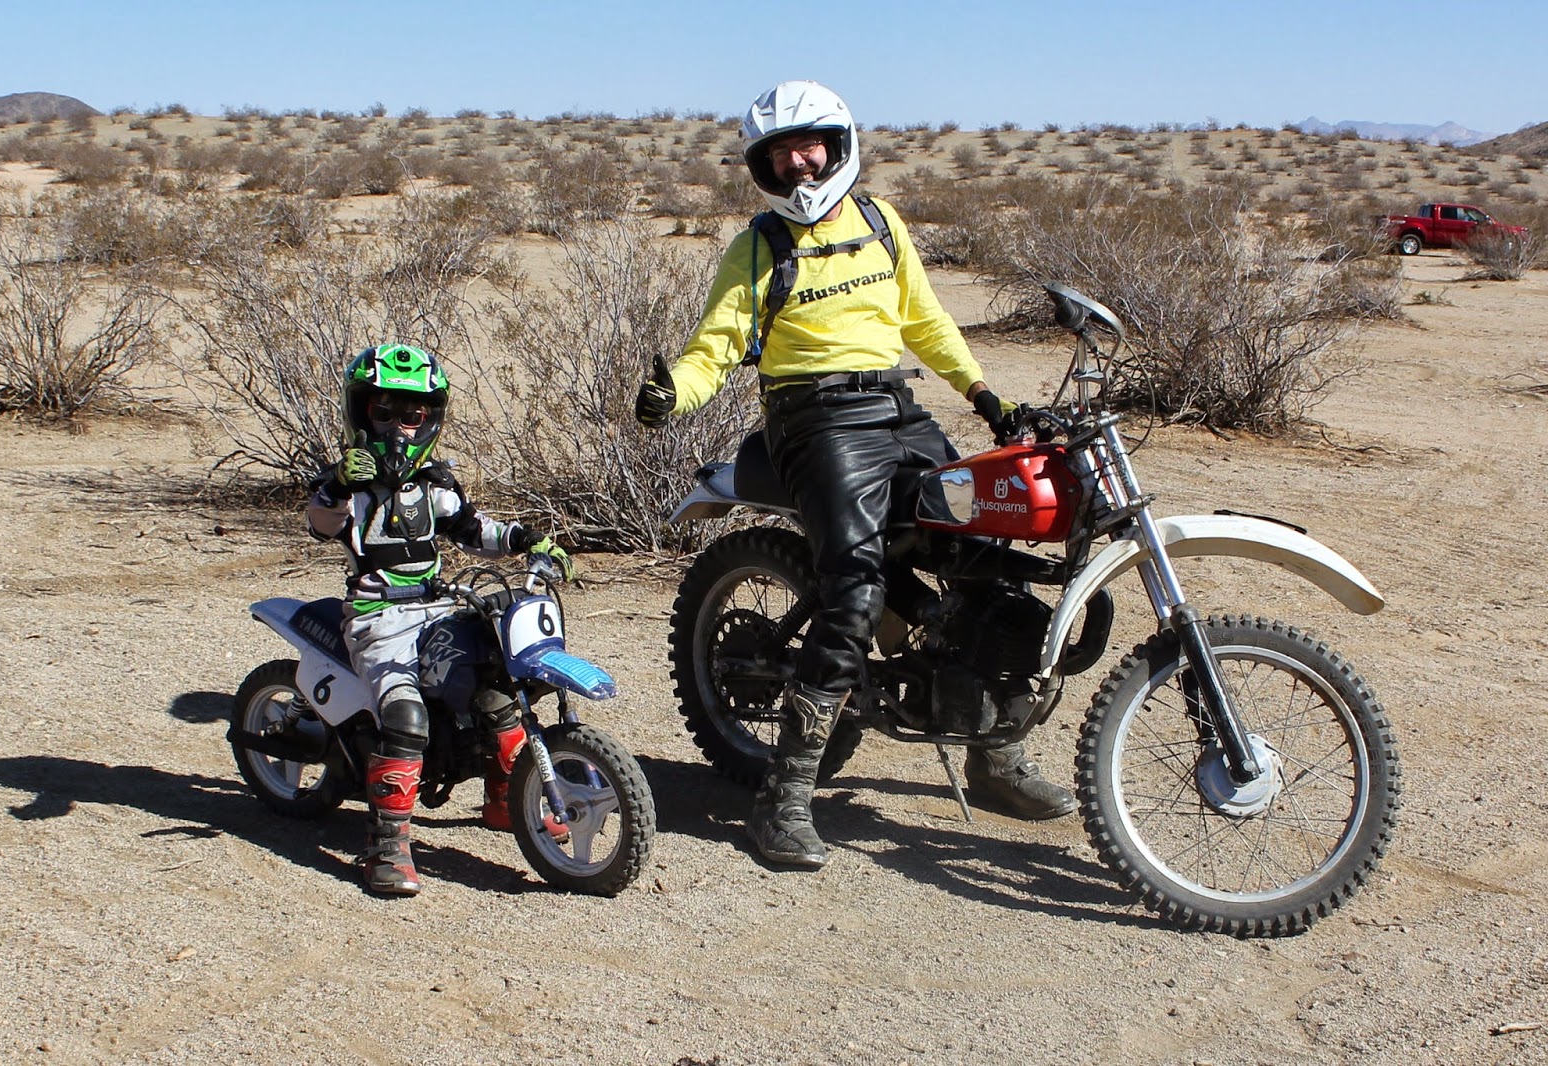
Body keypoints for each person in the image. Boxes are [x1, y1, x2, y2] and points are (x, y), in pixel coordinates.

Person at [634, 80, 1075, 869]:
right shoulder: (759, 246)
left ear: (837, 146)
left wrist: (987, 398)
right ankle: (785, 798)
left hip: (896, 410)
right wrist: (675, 394)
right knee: (855, 590)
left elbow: (925, 320)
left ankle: (996, 754)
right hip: (813, 420)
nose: (798, 164)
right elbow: (717, 346)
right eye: (780, 154)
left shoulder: (880, 222)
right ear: (766, 167)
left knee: (985, 550)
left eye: (808, 147)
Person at [308, 343, 574, 895]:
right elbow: (321, 523)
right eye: (385, 413)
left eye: (414, 415)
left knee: (496, 691)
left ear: (430, 418)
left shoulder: (435, 483)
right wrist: (337, 482)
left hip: (435, 608)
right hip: (376, 617)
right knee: (405, 717)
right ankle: (388, 842)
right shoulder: (351, 487)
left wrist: (525, 539)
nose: (401, 429)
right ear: (361, 413)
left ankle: (506, 802)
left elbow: (474, 530)